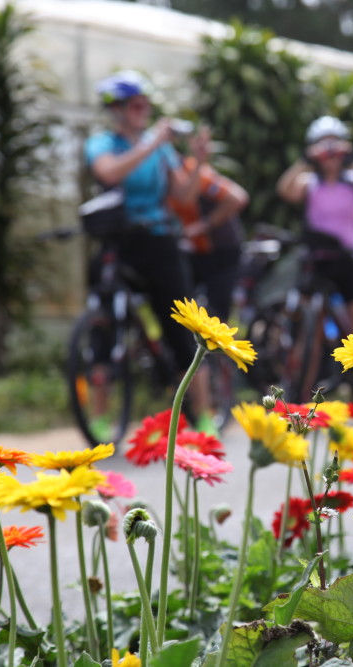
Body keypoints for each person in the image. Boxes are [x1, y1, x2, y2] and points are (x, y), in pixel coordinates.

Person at [84, 70, 215, 430]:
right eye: (136, 105)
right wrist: (153, 142)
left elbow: (185, 195)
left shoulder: (162, 149)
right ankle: (99, 415)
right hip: (117, 240)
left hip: (158, 240)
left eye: (145, 105)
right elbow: (109, 174)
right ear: (119, 110)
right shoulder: (103, 144)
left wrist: (199, 159)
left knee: (181, 323)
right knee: (101, 322)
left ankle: (203, 412)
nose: (143, 111)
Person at [276, 115, 353, 339]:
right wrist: (305, 161)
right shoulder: (309, 182)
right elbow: (285, 190)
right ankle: (307, 373)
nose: (330, 153)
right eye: (324, 145)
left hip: (350, 258)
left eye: (335, 144)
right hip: (317, 261)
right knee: (308, 336)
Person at [168, 144, 250, 321]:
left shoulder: (196, 174)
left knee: (217, 313)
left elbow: (237, 198)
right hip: (195, 252)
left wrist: (203, 225)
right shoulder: (161, 179)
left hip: (222, 252)